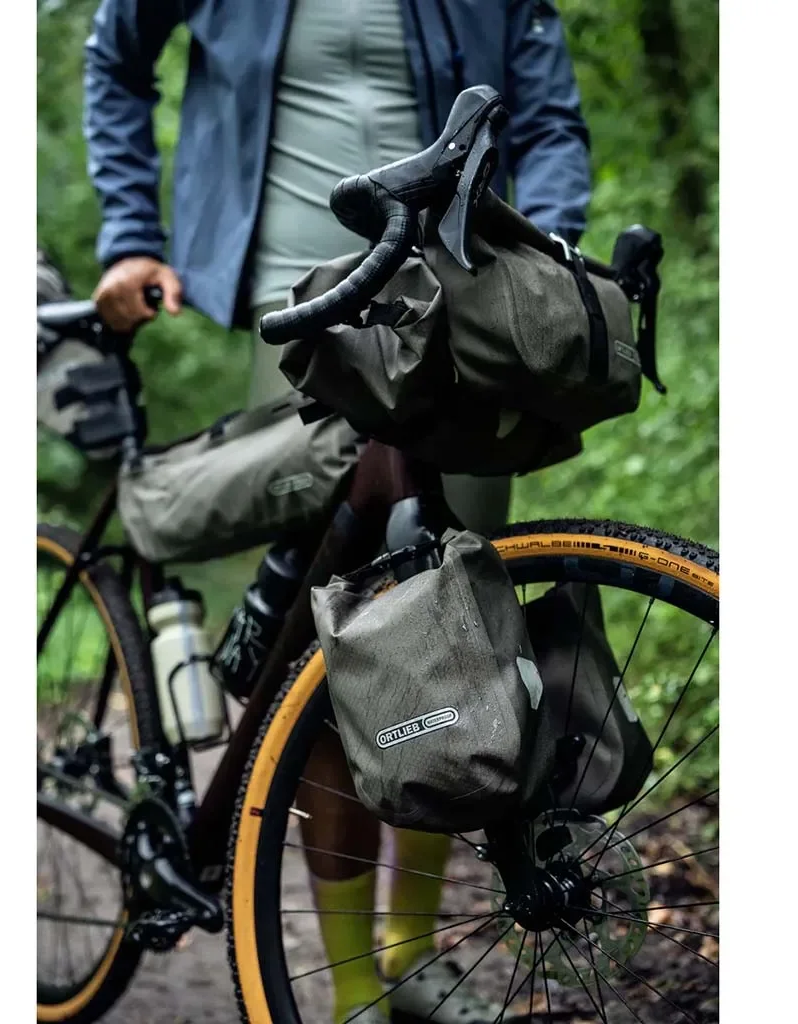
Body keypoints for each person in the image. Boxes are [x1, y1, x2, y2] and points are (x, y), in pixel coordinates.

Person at [84, 2, 591, 1021]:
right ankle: (353, 982)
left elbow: (547, 117)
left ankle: (415, 957)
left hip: (459, 310)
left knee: (459, 640)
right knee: (336, 645)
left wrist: (550, 250)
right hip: (293, 314)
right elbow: (116, 55)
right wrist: (131, 238)